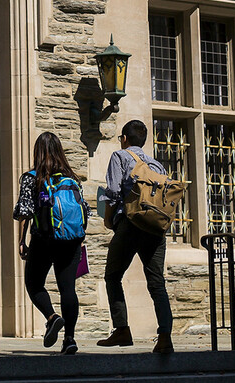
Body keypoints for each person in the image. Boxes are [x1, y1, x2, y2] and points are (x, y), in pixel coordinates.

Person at [97, 119, 174, 354]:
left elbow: (111, 192)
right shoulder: (157, 165)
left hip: (130, 224)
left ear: (124, 139)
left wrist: (108, 219)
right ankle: (165, 337)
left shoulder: (120, 157)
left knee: (112, 276)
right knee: (157, 282)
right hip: (154, 227)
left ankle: (122, 329)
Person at [13, 132, 85, 354]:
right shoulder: (72, 178)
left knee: (34, 284)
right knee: (68, 289)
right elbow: (85, 211)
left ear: (38, 152)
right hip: (71, 241)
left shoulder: (32, 177)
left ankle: (52, 317)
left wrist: (22, 241)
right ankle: (70, 339)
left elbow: (24, 211)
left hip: (43, 240)